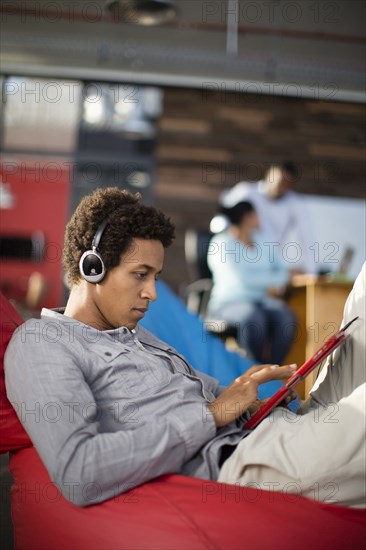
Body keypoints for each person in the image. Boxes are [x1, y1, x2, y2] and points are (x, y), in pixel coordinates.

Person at [4, 188, 365, 509]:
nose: (152, 293)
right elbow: (79, 471)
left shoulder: (135, 333)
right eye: (140, 274)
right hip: (246, 460)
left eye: (155, 277)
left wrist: (251, 402)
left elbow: (210, 401)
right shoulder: (41, 344)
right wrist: (212, 415)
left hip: (275, 426)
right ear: (92, 268)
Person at [206, 200, 296, 364]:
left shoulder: (263, 242)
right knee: (254, 318)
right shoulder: (221, 244)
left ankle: (272, 372)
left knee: (286, 318)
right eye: (257, 214)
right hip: (228, 304)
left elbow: (283, 269)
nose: (260, 218)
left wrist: (278, 278)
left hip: (261, 302)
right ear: (248, 217)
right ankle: (252, 369)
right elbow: (243, 280)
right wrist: (276, 280)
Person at [213, 162, 316, 274]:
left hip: (270, 261)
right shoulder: (246, 192)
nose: (280, 186)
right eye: (279, 181)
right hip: (242, 256)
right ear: (269, 174)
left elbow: (307, 238)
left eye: (286, 184)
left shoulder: (296, 203)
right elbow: (223, 216)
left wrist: (311, 273)